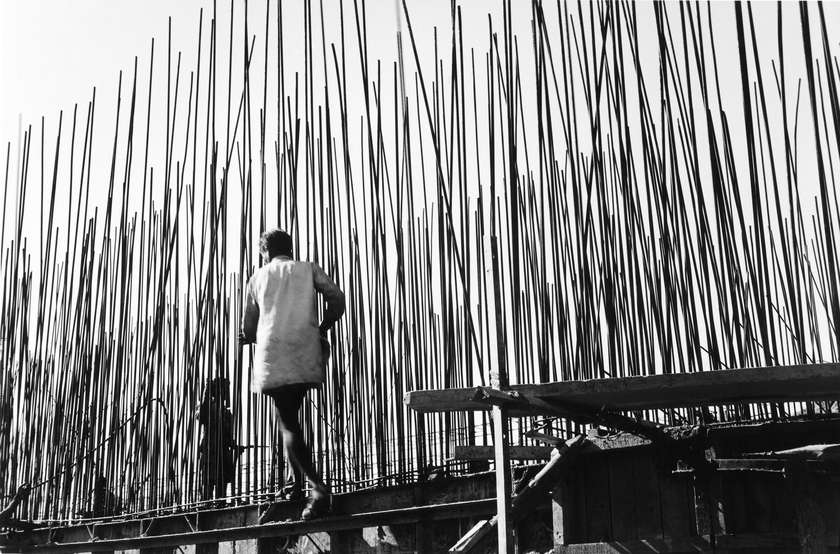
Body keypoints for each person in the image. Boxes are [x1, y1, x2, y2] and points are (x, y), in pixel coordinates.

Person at [240, 229, 345, 521]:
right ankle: (295, 483)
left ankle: (317, 489)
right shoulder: (307, 269)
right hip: (304, 352)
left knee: (287, 424)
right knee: (291, 419)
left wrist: (246, 337)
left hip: (274, 358)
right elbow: (337, 300)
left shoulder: (257, 278)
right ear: (289, 248)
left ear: (265, 251)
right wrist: (322, 326)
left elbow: (249, 328)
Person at [195, 376, 237, 504]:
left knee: (221, 488)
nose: (227, 393)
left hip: (223, 454)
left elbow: (228, 437)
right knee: (207, 486)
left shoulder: (226, 413)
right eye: (224, 389)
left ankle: (219, 504)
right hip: (210, 453)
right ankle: (205, 507)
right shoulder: (208, 408)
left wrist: (235, 446)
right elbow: (201, 415)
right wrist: (206, 389)